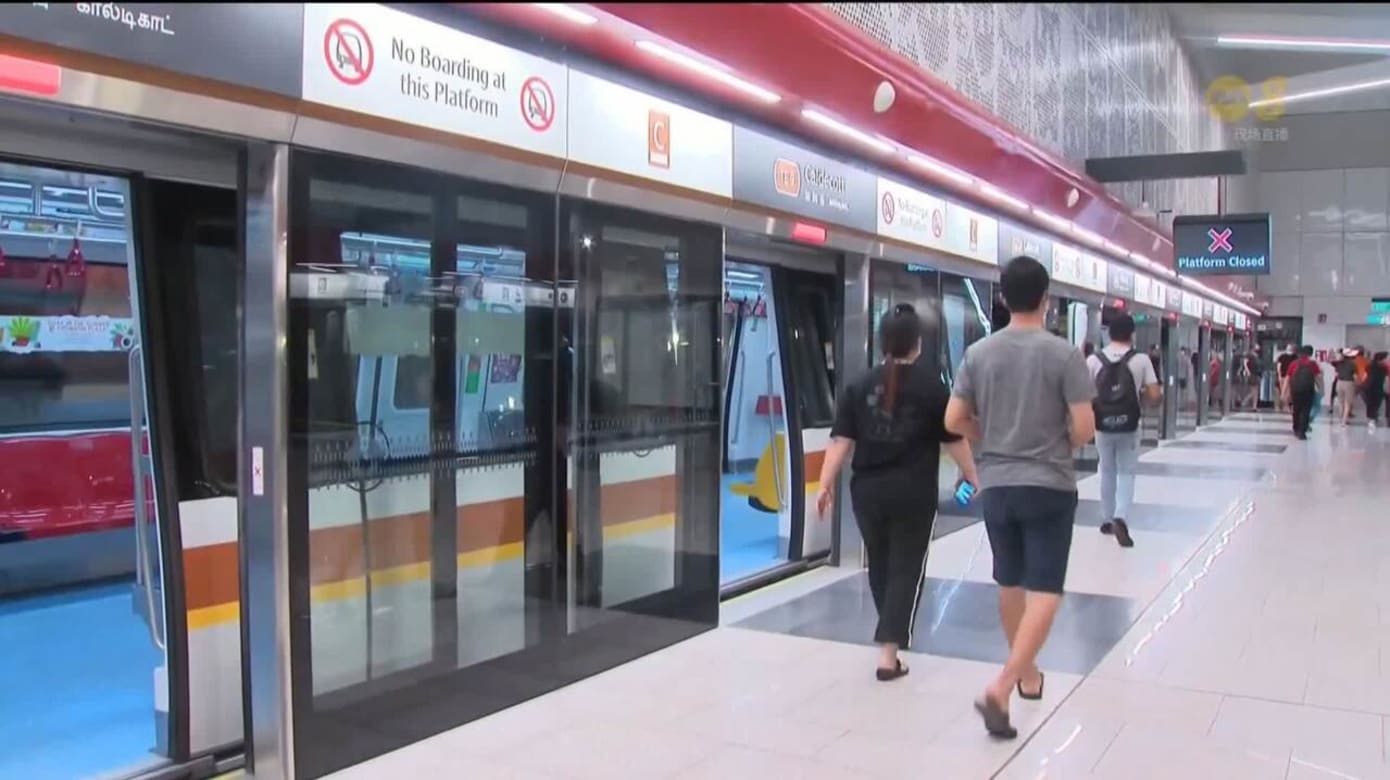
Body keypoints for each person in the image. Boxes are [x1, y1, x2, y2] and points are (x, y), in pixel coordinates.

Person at [945, 256, 1095, 739]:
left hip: (998, 485)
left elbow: (953, 420)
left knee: (1009, 582)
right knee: (1046, 589)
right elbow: (1084, 428)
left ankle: (1027, 676)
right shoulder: (1064, 355)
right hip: (1049, 484)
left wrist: (990, 438)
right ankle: (1003, 684)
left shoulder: (978, 354)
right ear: (1047, 300)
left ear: (1004, 298)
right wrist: (1055, 443)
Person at [816, 304, 978, 681]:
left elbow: (841, 440)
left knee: (881, 564)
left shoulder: (858, 386)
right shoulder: (932, 387)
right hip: (913, 492)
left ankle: (889, 631)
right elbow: (953, 438)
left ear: (882, 342)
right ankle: (889, 654)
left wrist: (824, 483)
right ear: (917, 344)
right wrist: (971, 475)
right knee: (907, 568)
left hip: (867, 492)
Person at [1086, 313, 1160, 548]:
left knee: (1106, 469)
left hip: (1102, 424)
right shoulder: (1141, 360)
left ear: (1109, 334)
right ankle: (1121, 516)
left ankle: (1107, 519)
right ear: (1132, 334)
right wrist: (1143, 399)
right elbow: (1155, 395)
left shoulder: (1094, 360)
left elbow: (1084, 394)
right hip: (1129, 424)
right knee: (1126, 471)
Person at [1285, 345, 1323, 440]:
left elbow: (1287, 378)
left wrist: (1284, 391)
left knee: (1296, 409)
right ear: (1310, 353)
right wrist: (1321, 389)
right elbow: (1318, 378)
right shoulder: (1312, 364)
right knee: (1306, 410)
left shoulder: (1294, 363)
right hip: (1308, 390)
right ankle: (1302, 432)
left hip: (1295, 390)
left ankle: (1296, 428)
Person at [1334, 348, 1359, 424]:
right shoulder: (1353, 364)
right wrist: (1356, 385)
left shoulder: (1339, 363)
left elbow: (1336, 374)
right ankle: (1344, 421)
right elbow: (1355, 376)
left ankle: (1341, 418)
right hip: (1349, 383)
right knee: (1347, 403)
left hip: (1339, 383)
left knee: (1340, 402)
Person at [1365, 351, 1388, 428]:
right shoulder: (1383, 368)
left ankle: (1371, 419)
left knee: (1371, 404)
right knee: (1375, 404)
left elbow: (1366, 376)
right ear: (1380, 359)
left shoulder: (1369, 366)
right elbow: (1385, 379)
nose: (1385, 360)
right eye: (1384, 358)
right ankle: (1372, 419)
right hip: (1377, 388)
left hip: (1370, 387)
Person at [1275, 344, 1297, 412]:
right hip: (1283, 376)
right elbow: (1279, 367)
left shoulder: (1295, 357)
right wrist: (1279, 376)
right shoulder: (1282, 357)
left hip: (1290, 377)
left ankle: (1286, 406)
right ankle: (1281, 406)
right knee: (1281, 391)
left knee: (1288, 392)